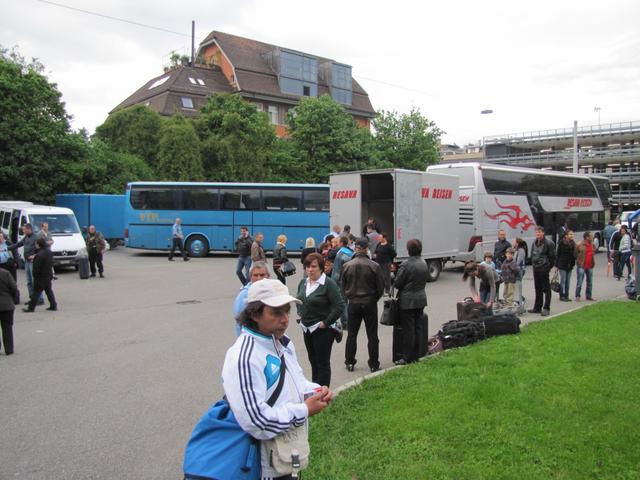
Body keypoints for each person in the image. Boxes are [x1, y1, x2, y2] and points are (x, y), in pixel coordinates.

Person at [223, 279, 333, 480]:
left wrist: (316, 391)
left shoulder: (282, 343)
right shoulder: (244, 357)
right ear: (254, 314)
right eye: (276, 312)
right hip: (262, 467)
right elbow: (257, 421)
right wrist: (305, 409)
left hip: (286, 457)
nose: (285, 319)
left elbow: (296, 382)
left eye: (287, 311)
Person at [296, 252, 344, 387]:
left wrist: (326, 322)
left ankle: (323, 394)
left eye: (313, 267)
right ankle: (315, 390)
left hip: (322, 330)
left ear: (321, 268)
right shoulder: (303, 282)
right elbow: (300, 299)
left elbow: (339, 305)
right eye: (307, 267)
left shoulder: (328, 284)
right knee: (313, 361)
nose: (310, 270)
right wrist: (301, 313)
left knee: (322, 363)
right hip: (306, 328)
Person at [340, 238, 384, 373]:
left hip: (353, 303)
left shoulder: (347, 266)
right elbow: (380, 288)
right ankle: (373, 363)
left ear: (355, 248)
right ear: (366, 249)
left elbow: (342, 287)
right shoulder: (374, 266)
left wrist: (349, 297)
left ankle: (349, 361)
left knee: (352, 334)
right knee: (372, 334)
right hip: (369, 302)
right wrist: (374, 298)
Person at [393, 238, 429, 365]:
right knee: (418, 328)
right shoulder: (424, 262)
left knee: (408, 330)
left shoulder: (406, 264)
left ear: (409, 250)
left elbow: (397, 283)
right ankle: (417, 354)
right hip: (420, 298)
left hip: (407, 301)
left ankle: (407, 357)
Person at [232, 261, 270, 336]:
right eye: (255, 275)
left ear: (268, 276)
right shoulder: (244, 295)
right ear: (250, 276)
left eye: (262, 275)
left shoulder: (271, 291)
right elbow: (239, 321)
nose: (259, 278)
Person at [9, 223, 42, 305]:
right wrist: (6, 248)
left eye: (24, 229)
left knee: (35, 281)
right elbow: (18, 244)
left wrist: (35, 256)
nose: (23, 231)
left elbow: (42, 249)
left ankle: (39, 299)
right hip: (27, 262)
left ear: (29, 229)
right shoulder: (26, 237)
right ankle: (32, 298)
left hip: (33, 262)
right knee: (29, 281)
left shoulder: (36, 237)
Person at [23, 238, 57, 313]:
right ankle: (53, 305)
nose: (35, 245)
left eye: (36, 244)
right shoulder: (49, 252)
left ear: (38, 244)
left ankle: (31, 307)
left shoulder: (39, 255)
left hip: (40, 277)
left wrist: (35, 276)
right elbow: (51, 263)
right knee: (48, 290)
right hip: (48, 275)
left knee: (36, 292)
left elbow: (36, 268)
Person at [529, 226, 556, 316]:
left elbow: (552, 257)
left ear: (543, 233)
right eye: (536, 232)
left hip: (544, 269)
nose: (538, 234)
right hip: (536, 268)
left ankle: (546, 308)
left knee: (546, 289)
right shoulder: (534, 242)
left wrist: (548, 267)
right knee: (538, 288)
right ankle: (537, 307)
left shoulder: (549, 243)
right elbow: (532, 254)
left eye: (539, 232)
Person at [555, 230, 576, 302]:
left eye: (572, 234)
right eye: (570, 234)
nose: (571, 236)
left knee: (568, 281)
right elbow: (558, 253)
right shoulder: (562, 243)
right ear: (566, 235)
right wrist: (557, 264)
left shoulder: (573, 243)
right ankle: (562, 295)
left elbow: (574, 255)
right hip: (562, 264)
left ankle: (567, 295)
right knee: (563, 280)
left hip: (570, 264)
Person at [575, 231, 596, 302]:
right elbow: (575, 254)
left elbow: (594, 251)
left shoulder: (592, 245)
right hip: (581, 265)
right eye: (591, 236)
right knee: (580, 281)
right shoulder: (580, 245)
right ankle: (577, 295)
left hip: (590, 266)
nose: (592, 237)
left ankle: (588, 296)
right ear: (587, 237)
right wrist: (579, 261)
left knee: (590, 282)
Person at [0, 267, 16, 355]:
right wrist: (11, 298)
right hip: (7, 304)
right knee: (7, 327)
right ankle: (9, 349)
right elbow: (13, 287)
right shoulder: (5, 273)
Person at [513, 238, 527, 312]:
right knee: (516, 286)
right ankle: (519, 299)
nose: (513, 243)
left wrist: (513, 266)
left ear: (517, 243)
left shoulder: (521, 250)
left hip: (519, 270)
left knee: (518, 285)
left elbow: (519, 261)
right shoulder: (516, 250)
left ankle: (521, 300)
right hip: (516, 270)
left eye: (514, 242)